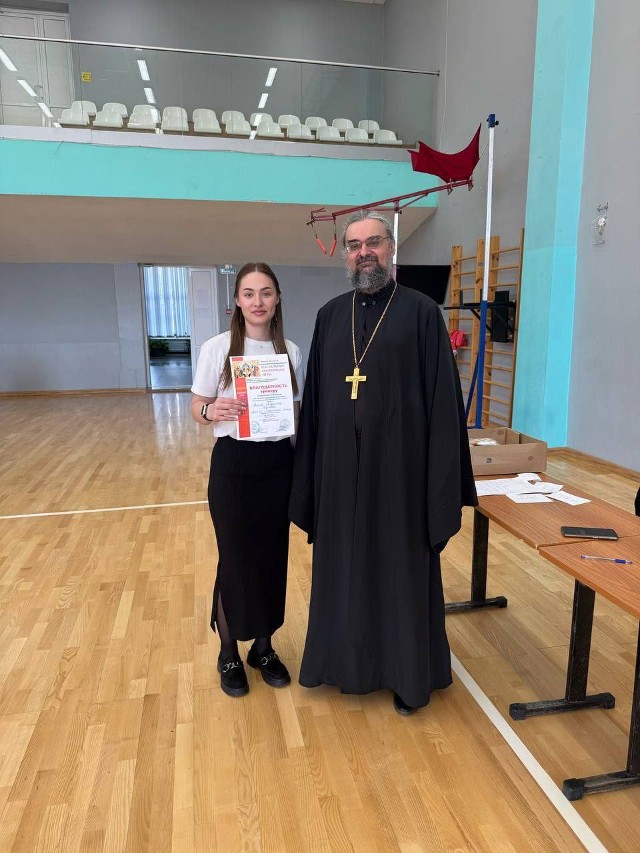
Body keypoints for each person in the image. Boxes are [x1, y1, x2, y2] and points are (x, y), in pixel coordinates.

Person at [290, 210, 477, 715]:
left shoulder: (421, 313)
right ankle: (341, 664)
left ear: (391, 248)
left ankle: (405, 674)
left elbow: (443, 405)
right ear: (346, 256)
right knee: (343, 569)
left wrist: (440, 486)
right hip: (339, 475)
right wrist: (311, 479)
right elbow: (315, 404)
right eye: (354, 245)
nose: (364, 252)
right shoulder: (330, 316)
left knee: (399, 572)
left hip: (399, 475)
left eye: (373, 242)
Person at [191, 262, 304, 697]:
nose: (258, 301)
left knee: (272, 559)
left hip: (278, 465)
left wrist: (304, 467)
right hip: (234, 465)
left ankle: (263, 648)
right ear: (237, 301)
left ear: (277, 299)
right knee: (236, 559)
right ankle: (228, 653)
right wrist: (210, 411)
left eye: (266, 293)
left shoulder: (290, 351)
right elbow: (197, 407)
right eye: (249, 293)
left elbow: (294, 415)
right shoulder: (217, 348)